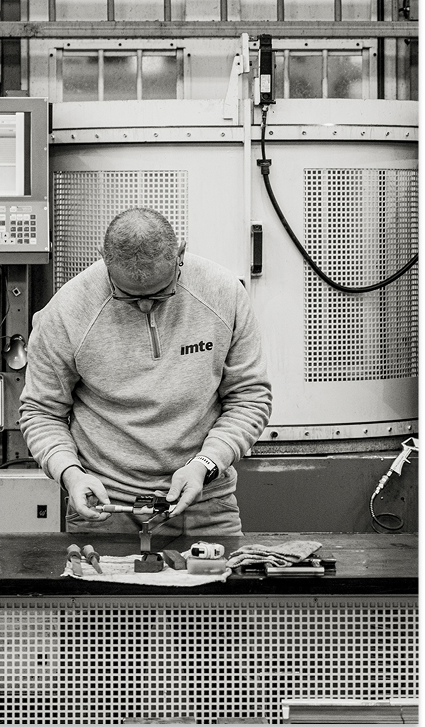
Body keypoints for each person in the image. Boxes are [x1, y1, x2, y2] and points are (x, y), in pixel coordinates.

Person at [19, 207, 272, 538]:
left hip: (205, 504)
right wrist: (70, 474)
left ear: (180, 254)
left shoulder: (224, 295)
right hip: (105, 507)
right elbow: (41, 412)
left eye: (159, 293)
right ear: (104, 259)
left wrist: (205, 465)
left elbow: (249, 398)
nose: (144, 307)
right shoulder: (66, 313)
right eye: (126, 296)